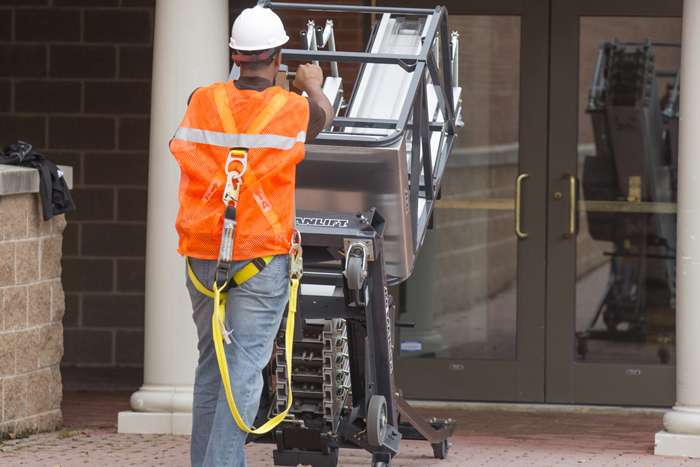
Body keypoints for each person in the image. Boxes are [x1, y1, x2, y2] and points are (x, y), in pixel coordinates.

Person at [169, 5, 334, 467]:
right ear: (277, 57)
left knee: (211, 366)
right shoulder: (292, 107)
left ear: (235, 56)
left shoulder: (202, 100)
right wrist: (313, 82)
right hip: (259, 258)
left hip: (203, 252)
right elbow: (322, 115)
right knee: (241, 372)